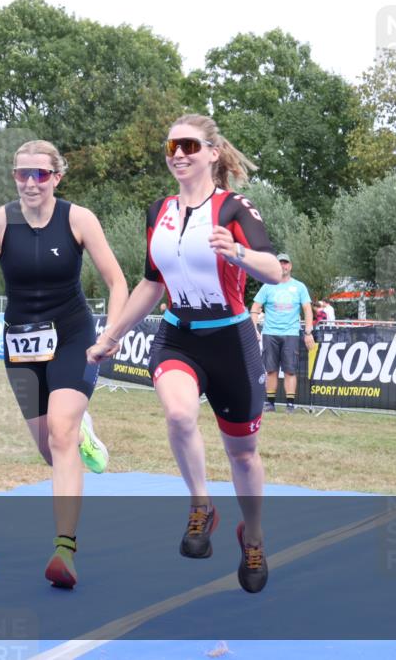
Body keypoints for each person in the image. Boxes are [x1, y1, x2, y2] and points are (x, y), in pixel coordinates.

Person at [88, 114, 282, 594]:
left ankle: (252, 534)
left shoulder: (235, 208)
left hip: (232, 342)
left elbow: (275, 270)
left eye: (189, 145)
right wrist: (112, 333)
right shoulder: (158, 211)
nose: (178, 153)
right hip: (179, 337)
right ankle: (202, 506)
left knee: (243, 454)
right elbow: (152, 283)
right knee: (178, 414)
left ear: (213, 153)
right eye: (172, 145)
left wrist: (237, 253)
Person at [0, 140, 127, 588]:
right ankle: (82, 432)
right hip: (20, 344)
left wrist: (111, 333)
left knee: (61, 431)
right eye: (22, 174)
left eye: (41, 174)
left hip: (74, 337)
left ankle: (65, 550)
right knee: (47, 447)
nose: (31, 182)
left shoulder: (78, 219)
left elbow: (116, 279)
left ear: (57, 177)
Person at [250, 253, 314, 413]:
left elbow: (307, 309)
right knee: (270, 370)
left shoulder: (299, 287)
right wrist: (254, 328)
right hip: (270, 333)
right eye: (280, 263)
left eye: (286, 263)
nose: (283, 266)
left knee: (290, 370)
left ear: (290, 266)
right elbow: (255, 308)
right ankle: (270, 403)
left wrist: (308, 331)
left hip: (291, 333)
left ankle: (290, 405)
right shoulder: (267, 286)